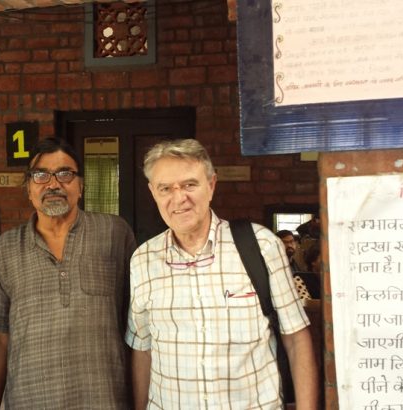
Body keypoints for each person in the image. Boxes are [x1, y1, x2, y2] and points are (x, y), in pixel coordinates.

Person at [125, 139, 318, 409]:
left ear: (211, 185)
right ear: (153, 192)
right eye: (165, 188)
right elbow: (142, 349)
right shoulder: (143, 260)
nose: (178, 198)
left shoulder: (261, 246)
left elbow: (296, 340)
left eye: (189, 185)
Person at [0, 138, 136, 409]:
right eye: (41, 175)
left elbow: (138, 327)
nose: (53, 184)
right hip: (30, 401)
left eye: (65, 174)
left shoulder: (114, 234)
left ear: (81, 186)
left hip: (104, 399)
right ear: (28, 189)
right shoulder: (7, 247)